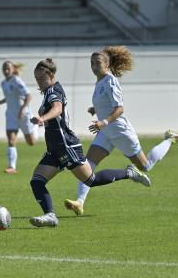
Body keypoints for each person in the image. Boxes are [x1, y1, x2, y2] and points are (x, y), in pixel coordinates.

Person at [64, 46, 178, 216]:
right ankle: (80, 202)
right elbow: (107, 103)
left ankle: (169, 139)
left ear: (107, 65)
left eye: (98, 63)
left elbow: (120, 108)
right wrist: (96, 109)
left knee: (146, 166)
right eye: (92, 63)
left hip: (120, 131)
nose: (94, 66)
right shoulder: (100, 81)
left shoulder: (110, 80)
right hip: (107, 132)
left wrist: (103, 121)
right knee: (88, 164)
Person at [28, 58, 150, 227]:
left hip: (66, 146)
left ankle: (129, 173)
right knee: (36, 181)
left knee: (90, 180)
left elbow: (58, 109)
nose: (39, 82)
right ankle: (50, 216)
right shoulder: (49, 91)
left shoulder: (53, 91)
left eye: (41, 78)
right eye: (36, 79)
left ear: (51, 75)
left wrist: (42, 118)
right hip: (54, 148)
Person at [0, 61, 38, 174]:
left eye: (8, 68)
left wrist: (22, 109)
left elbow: (28, 96)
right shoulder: (3, 83)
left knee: (31, 143)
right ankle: (12, 167)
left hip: (23, 114)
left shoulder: (17, 81)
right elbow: (9, 97)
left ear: (13, 69)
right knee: (11, 140)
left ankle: (36, 126)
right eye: (4, 69)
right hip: (11, 115)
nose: (6, 71)